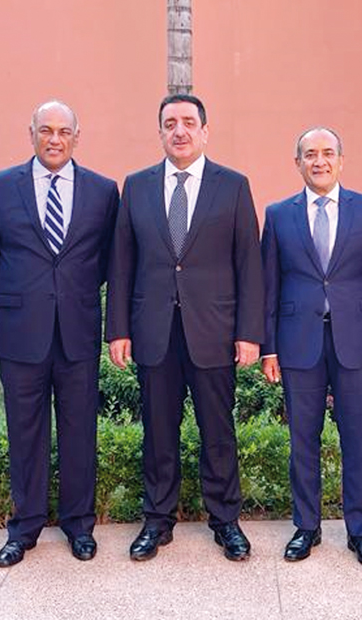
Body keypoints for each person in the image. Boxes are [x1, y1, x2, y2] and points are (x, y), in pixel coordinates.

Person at [105, 93, 264, 562]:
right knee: (158, 431)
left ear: (204, 131)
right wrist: (117, 329)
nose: (180, 130)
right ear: (159, 132)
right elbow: (121, 263)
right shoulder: (135, 187)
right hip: (154, 330)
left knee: (218, 431)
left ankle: (226, 521)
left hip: (214, 331)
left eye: (188, 122)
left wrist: (250, 332)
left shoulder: (232, 186)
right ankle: (157, 520)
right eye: (170, 122)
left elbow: (248, 264)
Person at [0, 100, 118, 567]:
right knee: (25, 433)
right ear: (30, 133)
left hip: (78, 331)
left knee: (78, 432)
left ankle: (78, 525)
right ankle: (25, 527)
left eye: (63, 131)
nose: (54, 139)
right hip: (21, 333)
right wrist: (14, 296)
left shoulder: (102, 191)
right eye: (45, 130)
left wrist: (73, 294)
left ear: (76, 136)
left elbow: (110, 258)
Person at [261, 127, 362, 569]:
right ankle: (307, 527)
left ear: (342, 159)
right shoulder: (279, 214)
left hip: (357, 345)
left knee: (357, 439)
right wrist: (268, 348)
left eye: (326, 154)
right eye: (309, 155)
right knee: (303, 439)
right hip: (297, 342)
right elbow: (269, 285)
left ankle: (361, 533)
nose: (318, 161)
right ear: (297, 162)